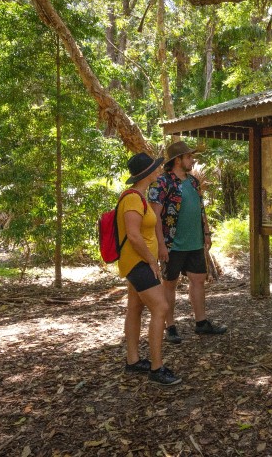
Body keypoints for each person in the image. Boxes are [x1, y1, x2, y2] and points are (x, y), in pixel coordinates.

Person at [149, 140, 228, 343]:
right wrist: (160, 244)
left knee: (199, 279)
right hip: (172, 244)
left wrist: (207, 232)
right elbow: (155, 216)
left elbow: (201, 209)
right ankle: (170, 326)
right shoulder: (162, 183)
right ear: (178, 160)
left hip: (195, 242)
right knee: (169, 284)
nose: (192, 160)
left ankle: (201, 323)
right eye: (189, 157)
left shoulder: (193, 182)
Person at [117, 152, 182, 386]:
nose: (159, 170)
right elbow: (133, 235)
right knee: (161, 307)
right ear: (146, 173)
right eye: (155, 167)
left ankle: (133, 361)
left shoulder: (139, 197)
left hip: (138, 262)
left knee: (135, 308)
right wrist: (151, 261)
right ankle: (157, 368)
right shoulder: (133, 198)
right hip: (138, 263)